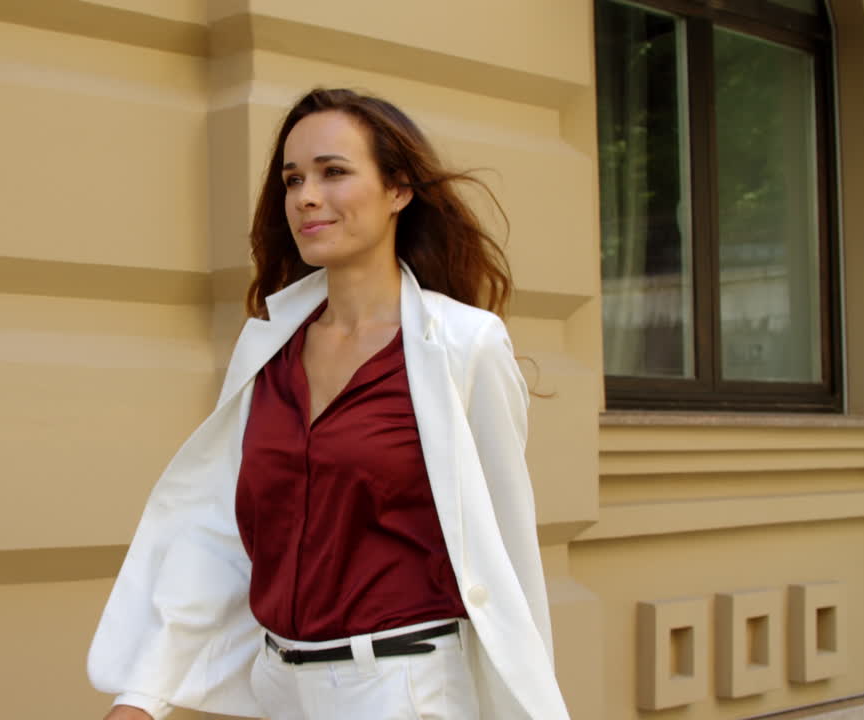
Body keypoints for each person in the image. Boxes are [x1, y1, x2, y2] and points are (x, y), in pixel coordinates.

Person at [88, 88, 570, 720]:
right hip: (278, 687)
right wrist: (144, 696)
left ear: (398, 190)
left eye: (333, 172)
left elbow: (504, 547)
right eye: (293, 180)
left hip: (406, 690)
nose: (306, 197)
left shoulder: (464, 345)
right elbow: (222, 535)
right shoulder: (268, 346)